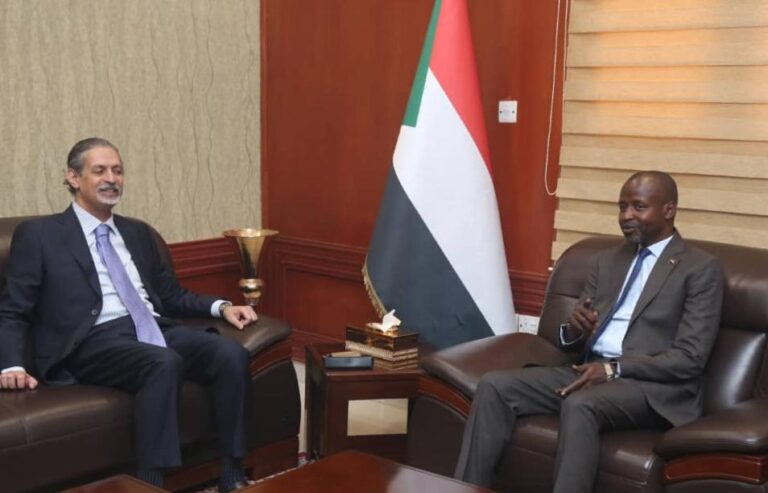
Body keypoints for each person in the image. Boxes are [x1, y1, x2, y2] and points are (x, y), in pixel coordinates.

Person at [0, 138, 258, 492]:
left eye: (117, 171)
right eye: (99, 171)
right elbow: (13, 308)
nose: (112, 179)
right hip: (91, 340)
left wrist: (223, 307)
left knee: (230, 353)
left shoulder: (136, 232)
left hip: (151, 327)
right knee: (162, 362)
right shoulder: (40, 235)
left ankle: (232, 472)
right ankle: (150, 482)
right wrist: (11, 366)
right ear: (73, 177)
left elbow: (170, 295)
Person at [454, 171, 724, 493]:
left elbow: (690, 358)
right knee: (494, 386)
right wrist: (574, 327)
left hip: (651, 387)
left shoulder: (700, 268)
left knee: (581, 403)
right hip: (589, 369)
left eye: (638, 207)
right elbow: (570, 341)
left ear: (669, 210)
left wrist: (614, 369)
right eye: (622, 207)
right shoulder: (606, 261)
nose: (626, 216)